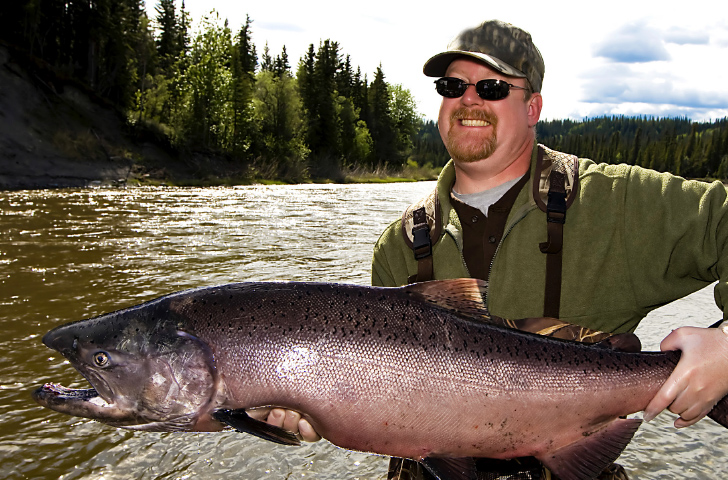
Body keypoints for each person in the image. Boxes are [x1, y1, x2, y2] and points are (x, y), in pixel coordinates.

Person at [262, 19, 728, 479]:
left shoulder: (615, 201)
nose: (468, 99)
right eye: (452, 86)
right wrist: (309, 403)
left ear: (532, 106)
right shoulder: (399, 244)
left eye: (492, 88)